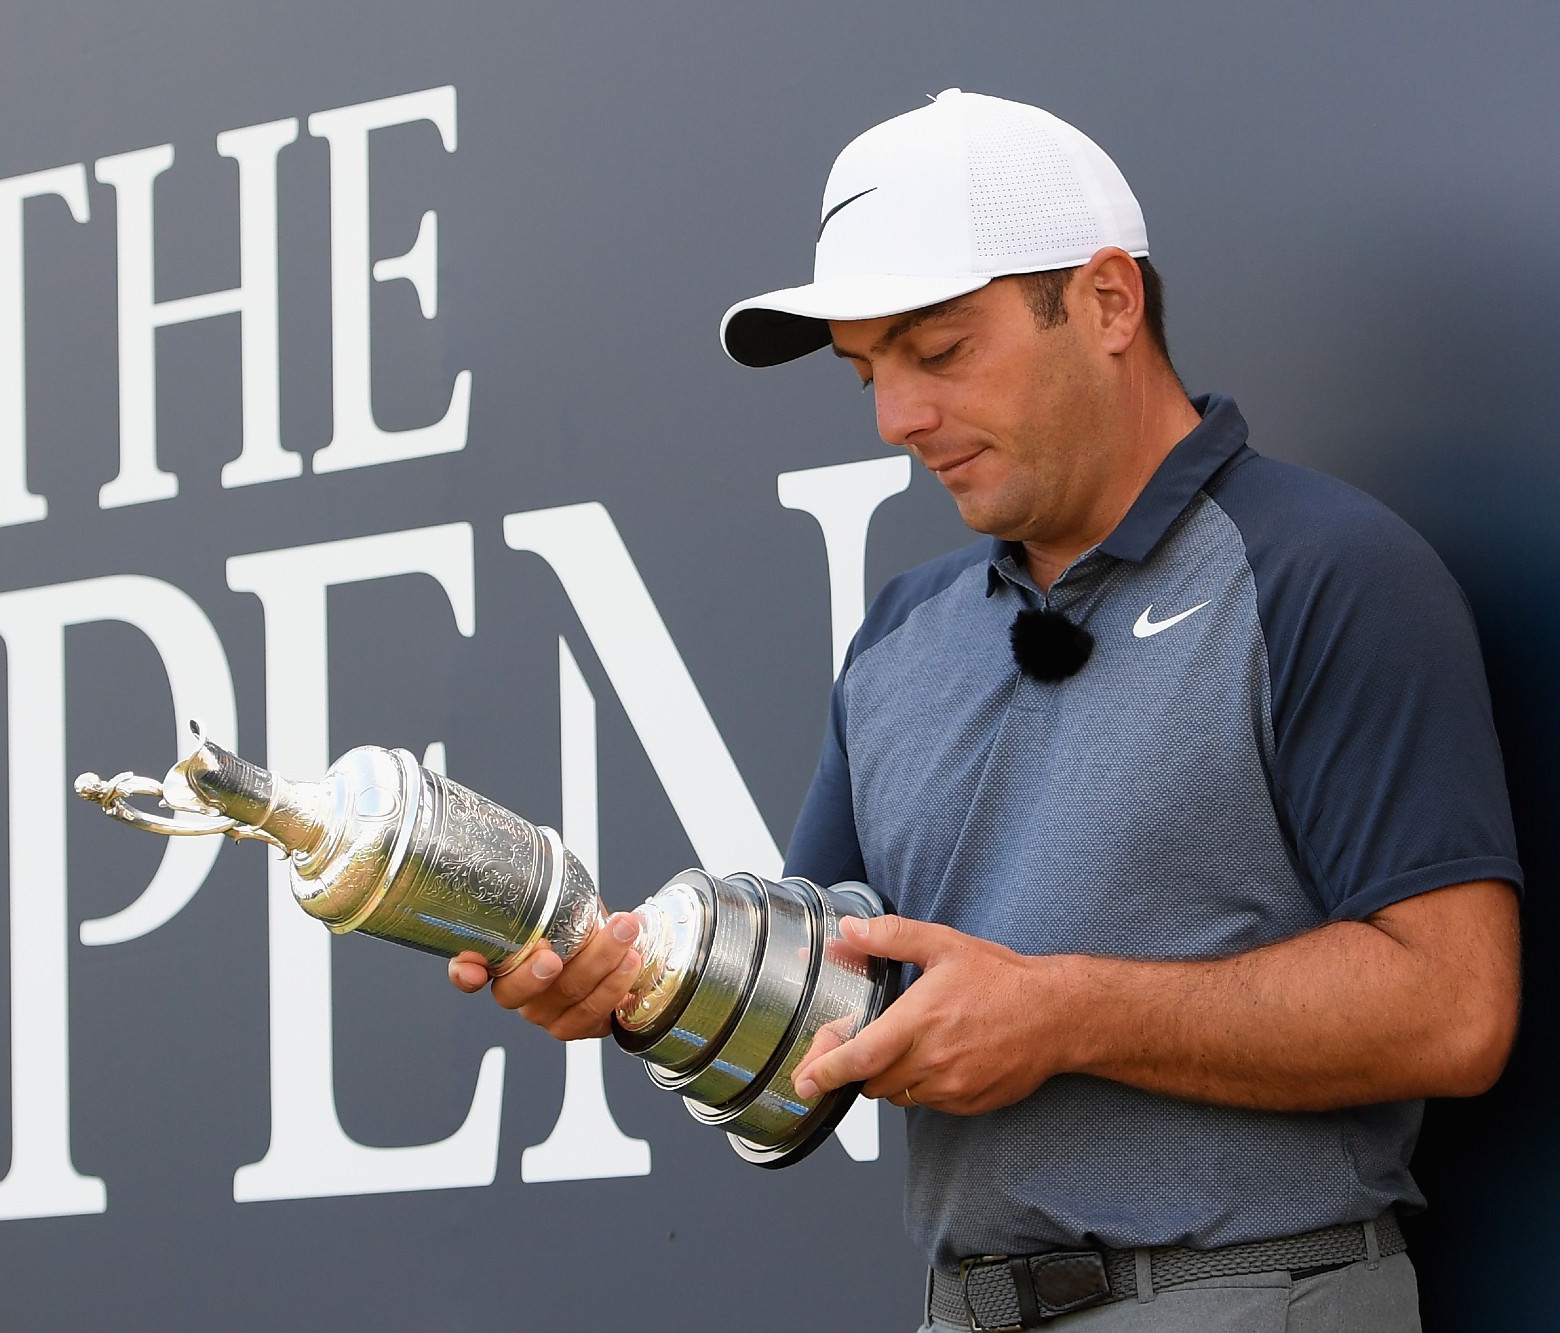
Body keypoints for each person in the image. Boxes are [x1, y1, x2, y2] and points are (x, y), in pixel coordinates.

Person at [447, 89, 1520, 1330]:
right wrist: (633, 986)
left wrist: (1061, 1013)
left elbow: (1452, 1006)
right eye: (866, 370)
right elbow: (823, 1003)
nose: (895, 417)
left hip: (1248, 1293)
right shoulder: (900, 635)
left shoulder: (1322, 569)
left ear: (1107, 302)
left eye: (939, 350)